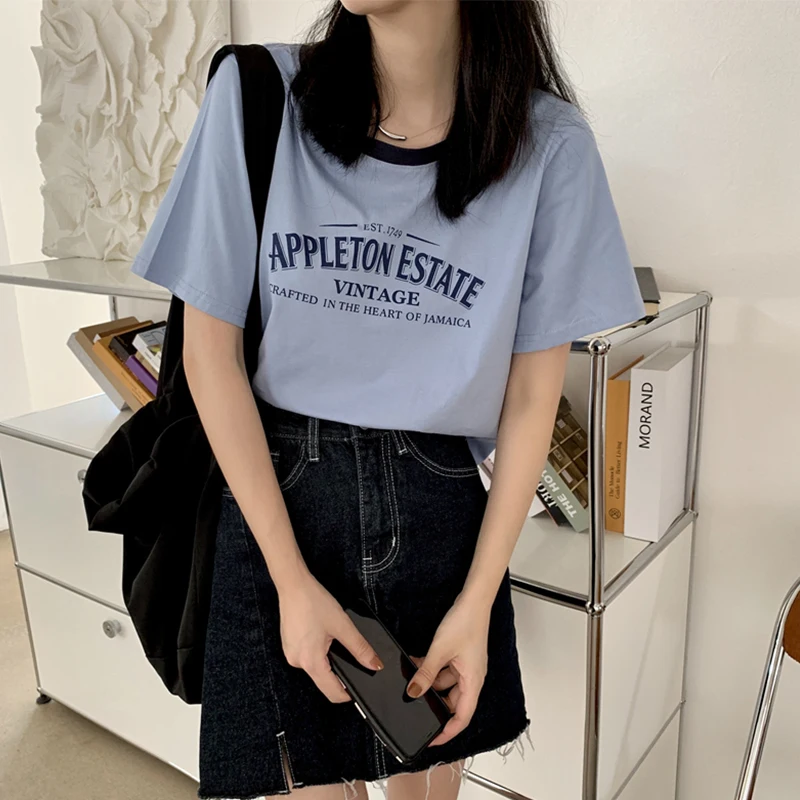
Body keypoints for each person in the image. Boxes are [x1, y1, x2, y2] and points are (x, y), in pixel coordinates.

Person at [131, 2, 646, 799]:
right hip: (278, 504)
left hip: (438, 509)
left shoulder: (549, 146)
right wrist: (291, 582)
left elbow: (529, 398)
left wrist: (477, 602)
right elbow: (209, 355)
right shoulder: (260, 95)